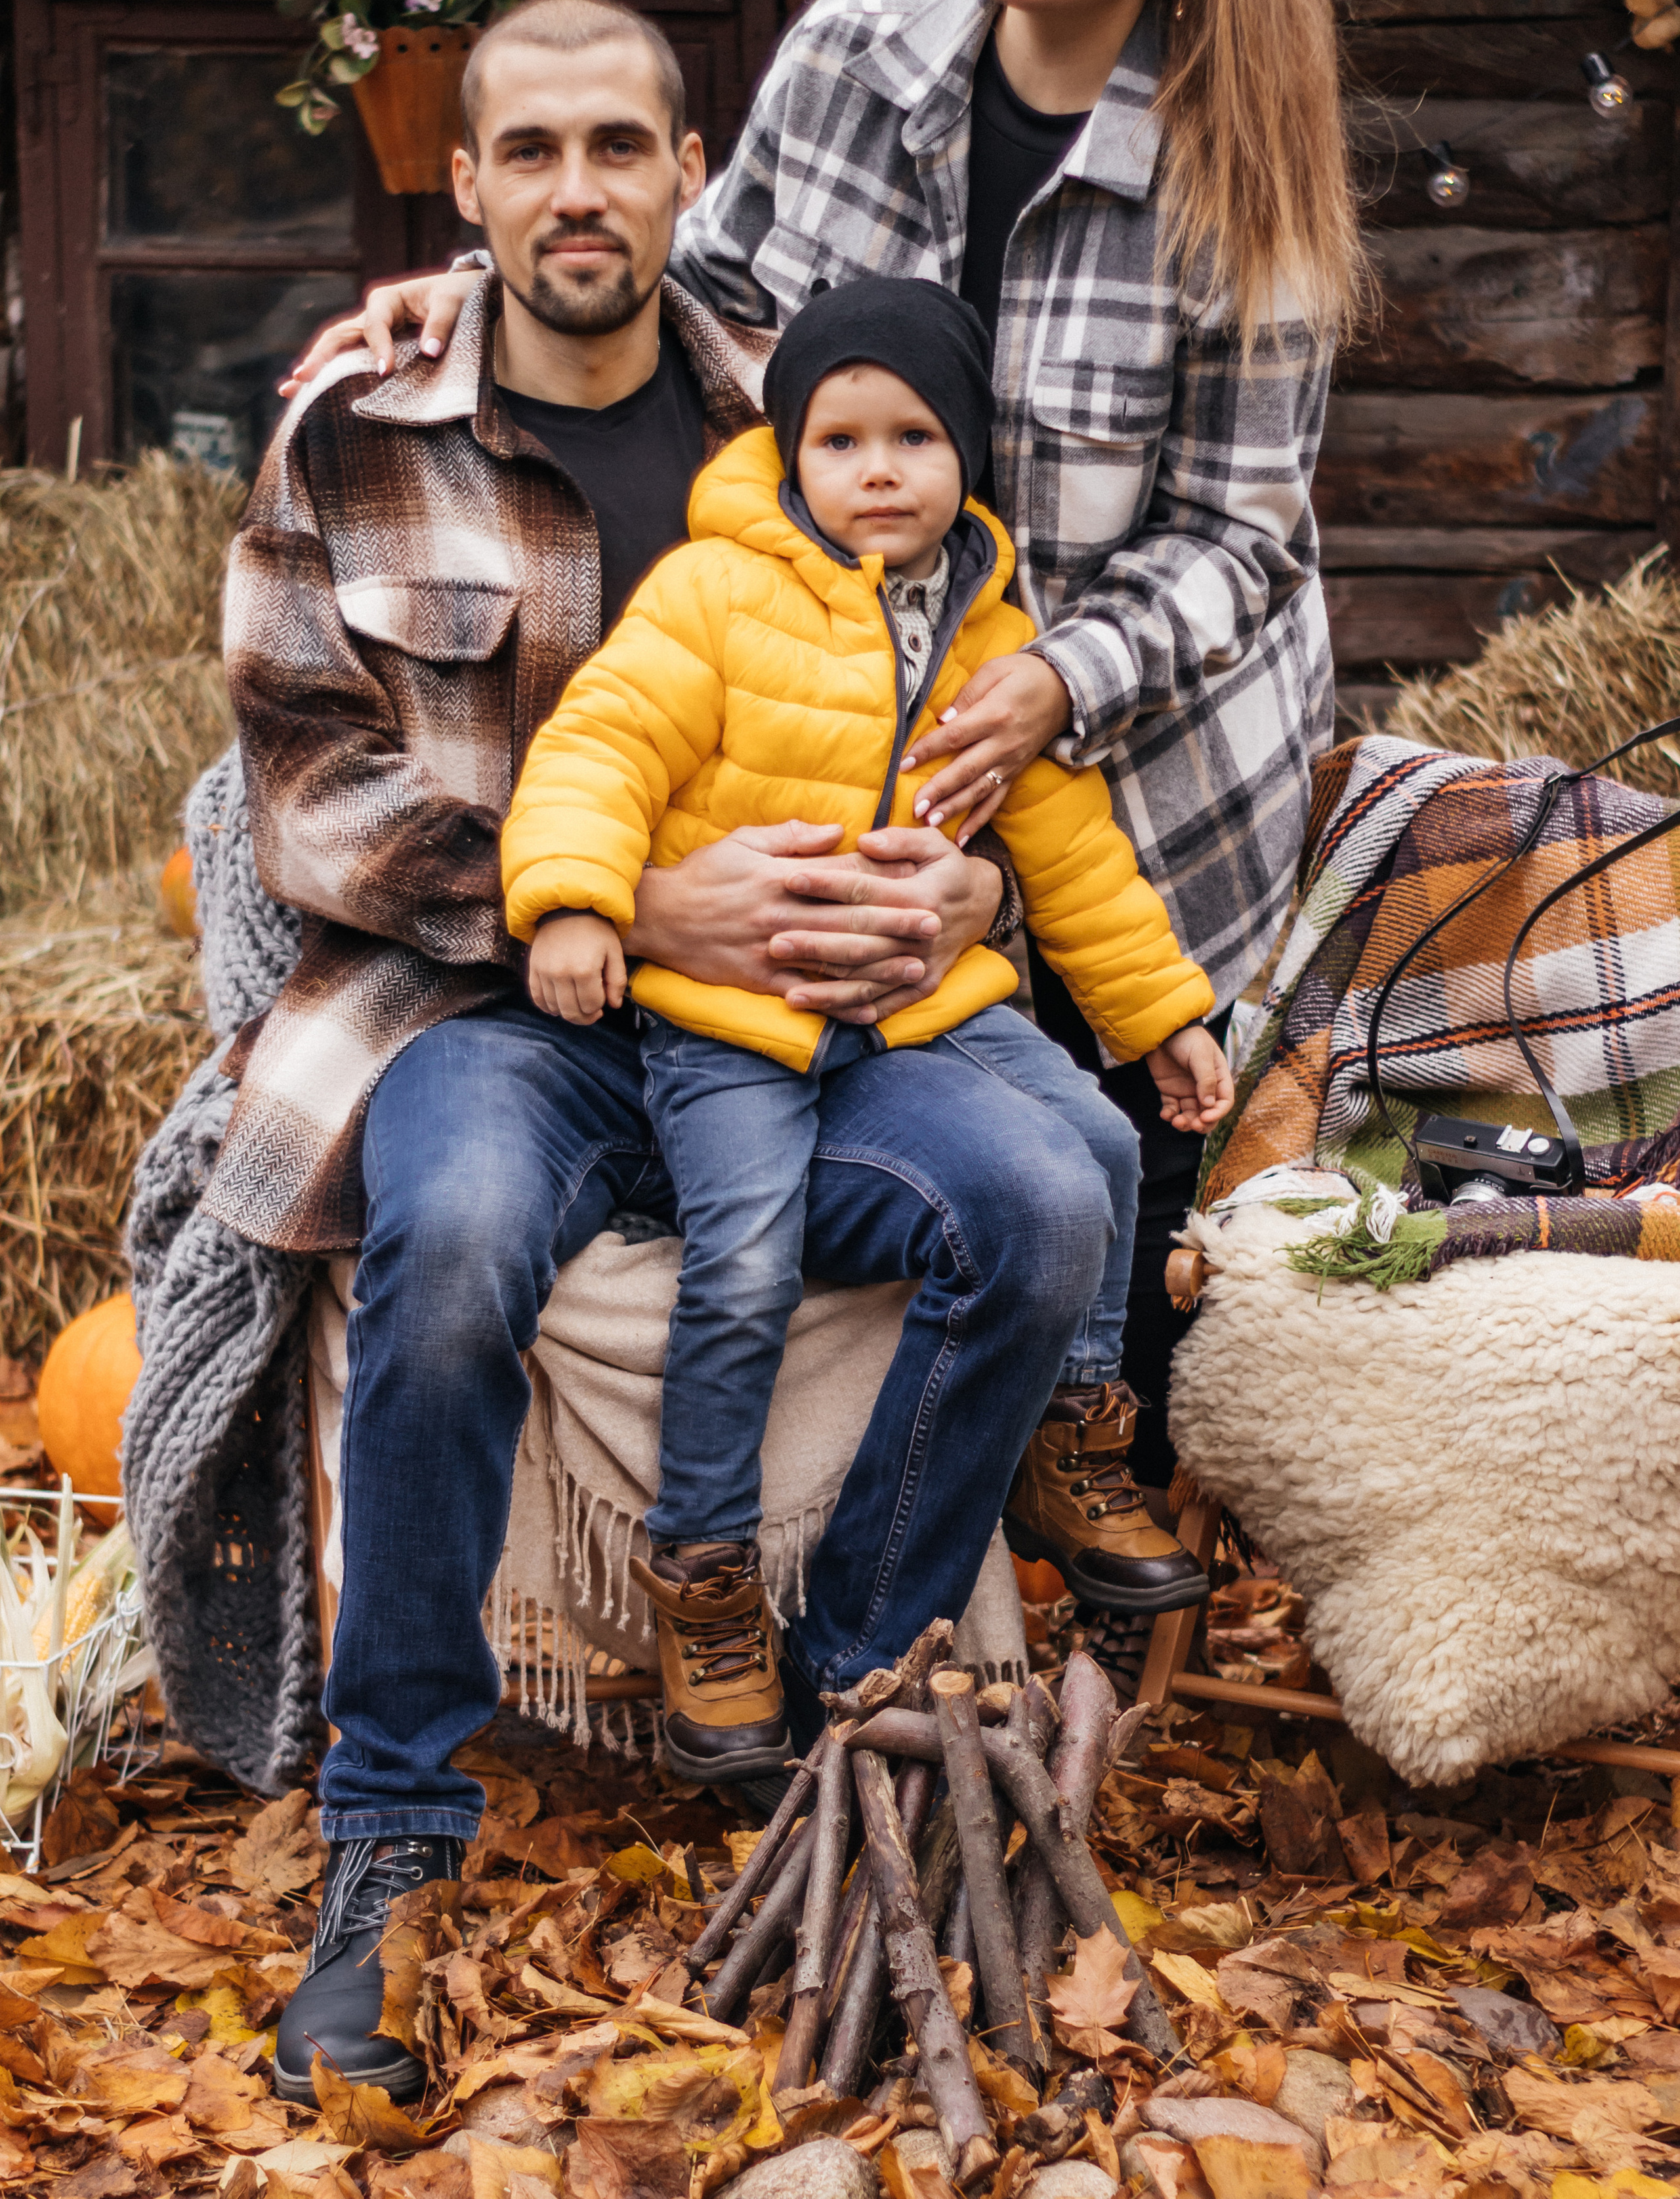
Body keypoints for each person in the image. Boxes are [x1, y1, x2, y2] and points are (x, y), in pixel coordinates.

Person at [287, 0, 1367, 1633]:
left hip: (1122, 730)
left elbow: (1245, 540)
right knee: (900, 1072)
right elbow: (700, 306)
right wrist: (472, 300)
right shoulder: (859, 52)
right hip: (846, 674)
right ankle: (829, 1587)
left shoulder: (1249, 171)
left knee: (1095, 1139)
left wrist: (1061, 677)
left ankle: (1058, 1464)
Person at [224, 0, 1134, 2111]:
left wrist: (965, 895)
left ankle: (839, 1710)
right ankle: (392, 1827)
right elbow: (310, 801)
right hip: (491, 1019)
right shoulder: (355, 431)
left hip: (812, 1030)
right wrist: (624, 905)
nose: (573, 191)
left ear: (686, 168)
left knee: (1036, 1205)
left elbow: (974, 731)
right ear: (465, 186)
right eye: (526, 152)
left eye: (614, 147)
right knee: (447, 1253)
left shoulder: (821, 406)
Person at [505, 273, 1233, 1776]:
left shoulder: (983, 631)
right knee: (748, 1254)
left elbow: (1071, 844)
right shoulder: (713, 592)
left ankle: (1069, 1435)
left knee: (1096, 1138)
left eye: (913, 436)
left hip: (915, 1009)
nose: (877, 470)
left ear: (966, 455)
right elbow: (601, 741)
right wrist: (577, 900)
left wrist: (1160, 1015)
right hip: (730, 1020)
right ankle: (702, 1578)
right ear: (790, 458)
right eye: (837, 440)